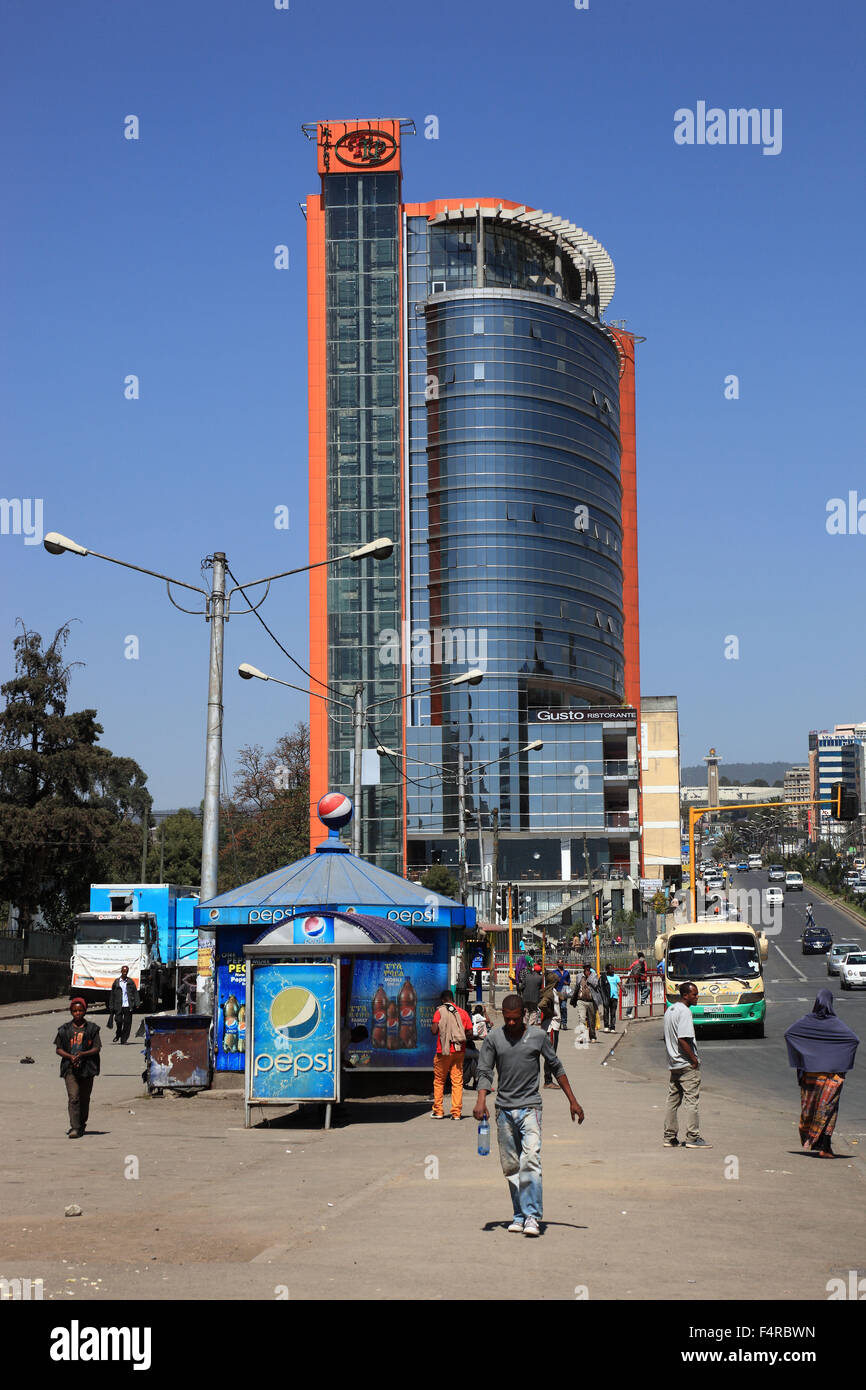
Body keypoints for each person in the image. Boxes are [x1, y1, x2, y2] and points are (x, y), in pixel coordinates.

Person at [474, 994, 584, 1236]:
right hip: (503, 1110)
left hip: (530, 1108)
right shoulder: (493, 1038)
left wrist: (573, 1101)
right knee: (511, 1166)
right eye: (507, 1019)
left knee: (531, 1159)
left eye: (515, 1019)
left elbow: (556, 1066)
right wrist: (481, 1099)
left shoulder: (538, 1036)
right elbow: (484, 1070)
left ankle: (532, 1216)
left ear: (523, 1015)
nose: (511, 1024)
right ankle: (519, 1214)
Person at [784, 990, 859, 1157]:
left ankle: (815, 1142)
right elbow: (853, 1040)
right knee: (828, 1109)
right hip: (832, 1076)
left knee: (810, 1109)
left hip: (811, 1075)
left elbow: (789, 1034)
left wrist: (807, 1056)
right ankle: (825, 1146)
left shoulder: (806, 1021)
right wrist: (837, 1059)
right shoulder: (836, 1023)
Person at [663, 981, 712, 1149]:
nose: (697, 997)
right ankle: (692, 1137)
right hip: (686, 1064)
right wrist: (694, 1060)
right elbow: (683, 1039)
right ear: (685, 995)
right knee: (691, 1101)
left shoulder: (670, 1010)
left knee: (672, 1100)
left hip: (674, 1063)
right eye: (694, 994)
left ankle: (669, 1137)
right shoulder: (684, 1012)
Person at [54, 998, 101, 1139]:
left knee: (84, 1098)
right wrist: (70, 1056)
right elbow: (58, 1049)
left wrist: (82, 1054)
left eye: (80, 1010)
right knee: (74, 1097)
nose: (78, 1013)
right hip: (69, 1069)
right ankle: (74, 1127)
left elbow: (97, 1048)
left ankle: (81, 1124)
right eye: (75, 1011)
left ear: (85, 1011)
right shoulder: (64, 1029)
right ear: (71, 1012)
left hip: (87, 1068)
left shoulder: (92, 1029)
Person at [430, 989, 473, 1120]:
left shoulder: (440, 1011)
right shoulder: (463, 1013)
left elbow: (434, 1030)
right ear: (452, 999)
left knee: (439, 1081)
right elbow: (470, 1032)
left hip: (443, 1051)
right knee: (457, 1081)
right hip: (459, 1051)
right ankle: (456, 1113)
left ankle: (438, 1111)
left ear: (443, 1000)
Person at [539, 973, 562, 1087]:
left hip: (555, 1026)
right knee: (550, 1054)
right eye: (557, 981)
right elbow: (542, 1005)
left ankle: (549, 1079)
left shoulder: (553, 992)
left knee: (551, 1053)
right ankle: (548, 1081)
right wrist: (550, 1013)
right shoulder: (549, 993)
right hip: (551, 1026)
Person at [109, 964, 140, 1044]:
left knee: (127, 1023)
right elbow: (112, 994)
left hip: (128, 1005)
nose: (125, 973)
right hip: (118, 1005)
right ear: (121, 971)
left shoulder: (130, 982)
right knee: (118, 1021)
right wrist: (111, 1005)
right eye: (124, 971)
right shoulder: (116, 982)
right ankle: (118, 1033)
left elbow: (135, 992)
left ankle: (124, 1039)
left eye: (126, 972)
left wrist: (137, 1002)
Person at [571, 965, 598, 1042]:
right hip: (581, 1000)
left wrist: (589, 978)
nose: (587, 970)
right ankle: (582, 1035)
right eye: (585, 969)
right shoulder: (579, 976)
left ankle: (592, 1036)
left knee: (591, 1020)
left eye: (588, 969)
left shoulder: (594, 976)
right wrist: (574, 999)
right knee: (581, 1018)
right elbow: (577, 987)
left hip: (591, 1001)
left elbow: (596, 985)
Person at [600, 963, 619, 1032]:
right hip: (606, 997)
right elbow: (600, 987)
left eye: (613, 969)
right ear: (607, 970)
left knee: (613, 1013)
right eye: (611, 969)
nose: (613, 970)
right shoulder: (604, 977)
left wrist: (624, 990)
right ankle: (606, 1026)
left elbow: (620, 984)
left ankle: (612, 1027)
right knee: (606, 1012)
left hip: (614, 997)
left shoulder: (616, 977)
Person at [554, 958, 571, 1029]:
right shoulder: (554, 972)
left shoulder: (566, 972)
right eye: (559, 962)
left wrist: (567, 983)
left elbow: (569, 981)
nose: (560, 963)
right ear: (557, 964)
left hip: (564, 992)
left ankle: (564, 1023)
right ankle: (558, 1022)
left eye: (562, 962)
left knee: (563, 1007)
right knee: (557, 1008)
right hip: (557, 992)